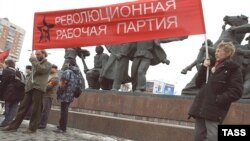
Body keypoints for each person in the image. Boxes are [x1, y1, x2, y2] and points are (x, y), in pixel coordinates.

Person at [188, 41, 243, 141]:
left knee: (213, 137)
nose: (216, 53)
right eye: (216, 50)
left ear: (227, 53)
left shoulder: (233, 69)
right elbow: (198, 83)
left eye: (219, 51)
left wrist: (218, 100)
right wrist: (204, 67)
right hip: (201, 107)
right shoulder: (210, 66)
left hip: (215, 110)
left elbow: (236, 91)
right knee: (199, 137)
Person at [1, 50, 52, 133]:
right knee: (22, 108)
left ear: (44, 54)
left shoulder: (48, 64)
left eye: (38, 54)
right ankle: (13, 126)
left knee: (36, 109)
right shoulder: (35, 63)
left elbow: (40, 70)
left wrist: (33, 59)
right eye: (36, 54)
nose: (36, 56)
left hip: (38, 88)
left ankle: (32, 128)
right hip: (30, 88)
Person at [54, 59, 80, 133]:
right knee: (65, 110)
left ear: (69, 64)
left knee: (64, 111)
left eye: (66, 63)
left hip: (65, 94)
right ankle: (61, 125)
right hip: (71, 95)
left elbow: (62, 84)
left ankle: (62, 128)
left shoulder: (67, 72)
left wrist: (58, 93)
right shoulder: (77, 73)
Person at [0, 59, 25, 127]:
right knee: (14, 107)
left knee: (7, 107)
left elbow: (4, 83)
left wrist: (1, 92)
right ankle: (10, 122)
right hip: (19, 93)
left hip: (9, 92)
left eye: (5, 64)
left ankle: (6, 122)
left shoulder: (7, 70)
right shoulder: (19, 72)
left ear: (7, 64)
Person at [39, 64, 59, 129]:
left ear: (55, 70)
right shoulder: (49, 76)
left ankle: (42, 124)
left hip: (48, 95)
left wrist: (41, 88)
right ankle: (39, 122)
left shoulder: (55, 77)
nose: (50, 69)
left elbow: (49, 86)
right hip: (43, 95)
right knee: (41, 110)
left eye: (52, 68)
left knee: (45, 110)